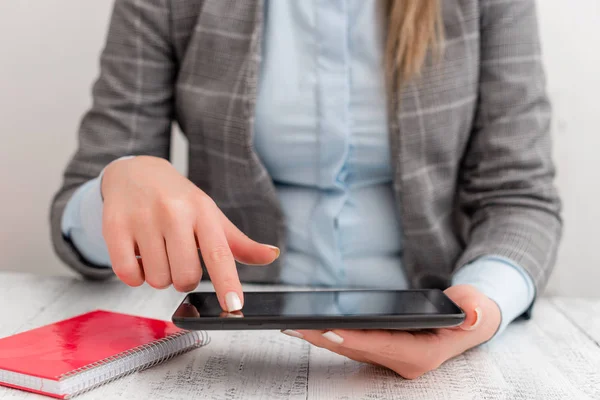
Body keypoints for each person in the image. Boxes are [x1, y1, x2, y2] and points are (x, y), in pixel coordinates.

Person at [50, 0, 561, 379]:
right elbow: (73, 224)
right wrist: (119, 183)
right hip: (228, 345)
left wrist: (481, 306)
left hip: (439, 337)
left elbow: (519, 196)